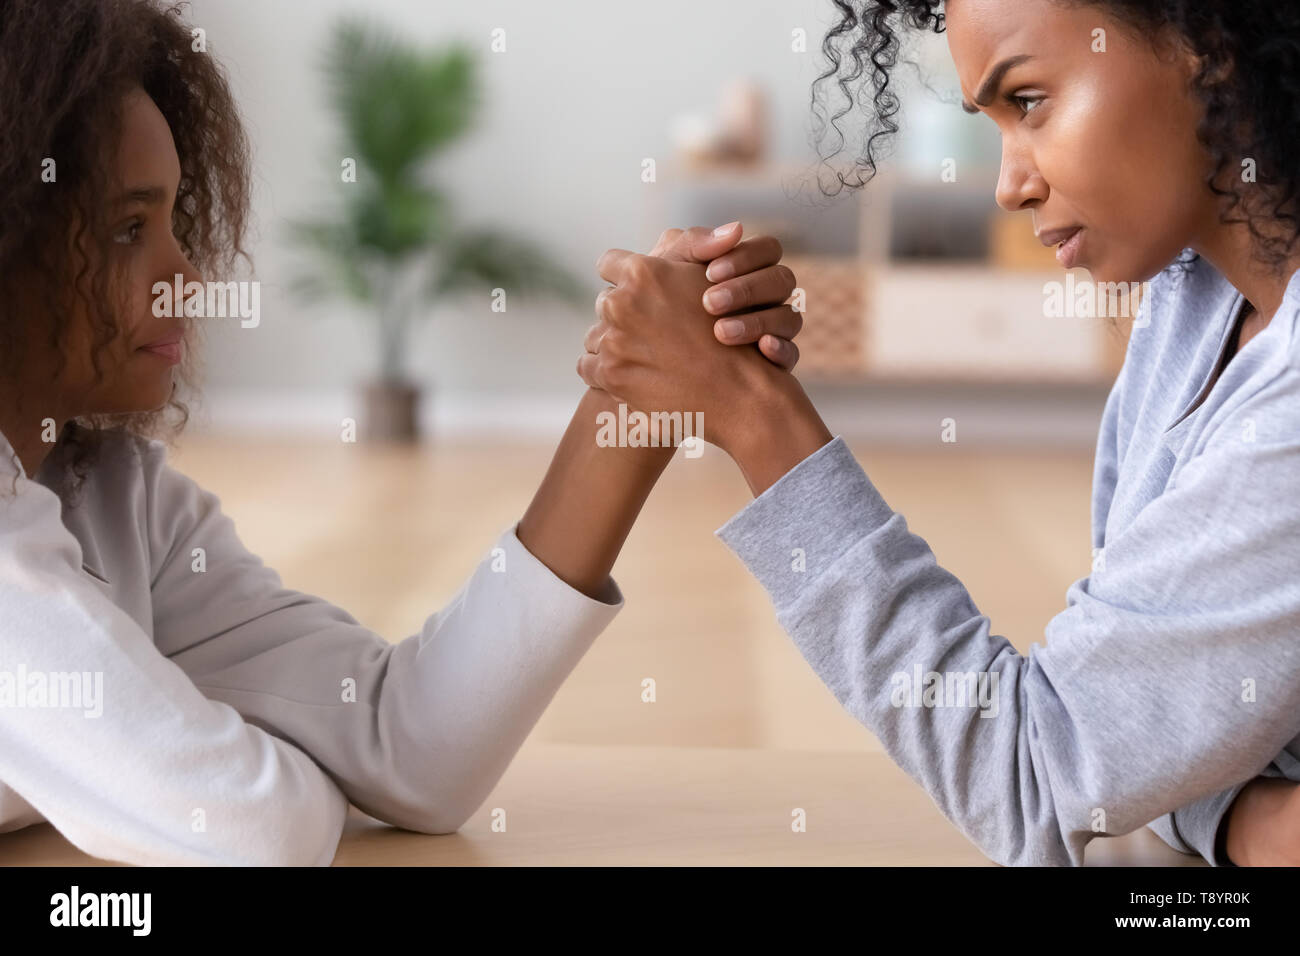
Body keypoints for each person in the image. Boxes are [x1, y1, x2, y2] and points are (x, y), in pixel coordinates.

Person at [0, 0, 803, 864]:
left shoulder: (117, 496)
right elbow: (250, 829)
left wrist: (635, 398)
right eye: (128, 228)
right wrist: (273, 775)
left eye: (170, 218)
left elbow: (409, 745)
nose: (184, 270)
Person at [578, 0, 1300, 866]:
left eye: (1028, 102)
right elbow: (1146, 747)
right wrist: (1237, 820)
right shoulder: (1194, 298)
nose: (1009, 184)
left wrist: (755, 416)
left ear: (1207, 43)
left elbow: (1042, 772)